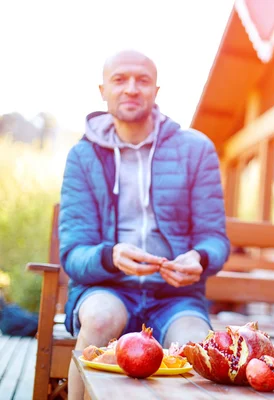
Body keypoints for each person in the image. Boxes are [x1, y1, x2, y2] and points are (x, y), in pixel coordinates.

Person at [59, 50, 230, 399]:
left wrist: (199, 258)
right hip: (106, 287)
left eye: (143, 80)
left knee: (197, 342)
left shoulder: (196, 149)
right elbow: (73, 252)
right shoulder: (83, 156)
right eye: (120, 80)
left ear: (156, 90)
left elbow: (215, 238)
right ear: (103, 90)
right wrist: (110, 256)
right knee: (100, 318)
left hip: (176, 297)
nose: (132, 89)